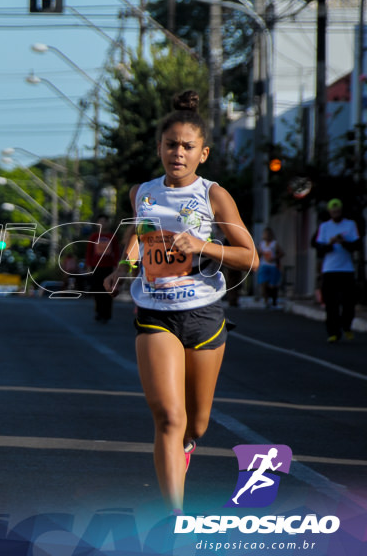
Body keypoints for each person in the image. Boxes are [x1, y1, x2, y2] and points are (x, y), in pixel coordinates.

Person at [104, 90, 258, 514]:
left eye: (188, 146)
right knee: (168, 418)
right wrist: (123, 266)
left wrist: (204, 246)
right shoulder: (143, 193)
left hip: (205, 315)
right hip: (156, 313)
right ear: (159, 149)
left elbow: (250, 256)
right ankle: (174, 518)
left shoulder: (214, 196)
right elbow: (138, 237)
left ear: (202, 153)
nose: (178, 153)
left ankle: (189, 444)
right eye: (171, 145)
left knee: (196, 423)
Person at [313, 198, 360, 343]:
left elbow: (356, 246)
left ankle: (346, 326)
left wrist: (343, 242)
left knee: (348, 302)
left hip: (346, 269)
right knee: (331, 303)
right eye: (333, 211)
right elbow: (319, 249)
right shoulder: (325, 227)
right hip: (330, 269)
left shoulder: (350, 225)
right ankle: (333, 332)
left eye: (338, 211)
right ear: (329, 212)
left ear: (341, 211)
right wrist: (331, 243)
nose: (335, 213)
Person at [85, 214, 120, 323]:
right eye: (100, 221)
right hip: (96, 267)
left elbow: (117, 252)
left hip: (108, 267)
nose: (102, 224)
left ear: (108, 223)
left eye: (105, 221)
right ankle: (98, 312)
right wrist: (89, 266)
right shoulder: (94, 237)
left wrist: (117, 267)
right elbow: (89, 253)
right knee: (97, 290)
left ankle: (107, 314)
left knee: (108, 291)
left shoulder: (112, 237)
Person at [256, 227, 284, 308]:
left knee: (273, 285)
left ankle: (274, 301)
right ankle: (266, 301)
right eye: (265, 234)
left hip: (273, 266)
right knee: (263, 283)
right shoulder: (261, 244)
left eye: (268, 234)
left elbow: (282, 253)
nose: (266, 236)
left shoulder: (274, 244)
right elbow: (258, 254)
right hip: (264, 266)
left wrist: (274, 258)